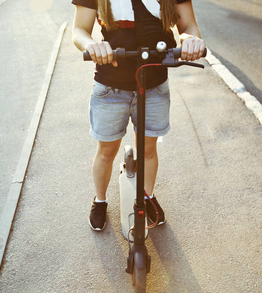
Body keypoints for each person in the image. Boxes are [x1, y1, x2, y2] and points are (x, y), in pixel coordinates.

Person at [71, 0, 205, 231]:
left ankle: (146, 196)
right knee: (106, 152)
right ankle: (100, 200)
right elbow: (79, 31)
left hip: (154, 84)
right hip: (111, 86)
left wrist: (189, 40)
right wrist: (92, 45)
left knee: (148, 150)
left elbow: (188, 27)